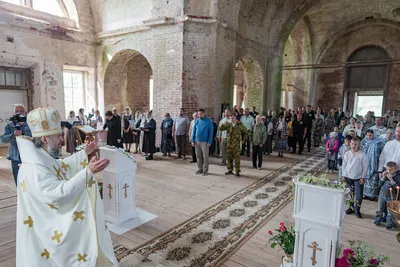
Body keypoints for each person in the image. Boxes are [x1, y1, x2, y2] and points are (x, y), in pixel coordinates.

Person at [16, 106, 117, 267]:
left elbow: (60, 166)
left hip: (43, 223)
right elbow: (58, 194)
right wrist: (88, 172)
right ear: (44, 139)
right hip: (44, 232)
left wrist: (84, 152)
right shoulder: (35, 169)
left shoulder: (40, 158)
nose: (61, 140)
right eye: (58, 136)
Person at [0, 104, 31, 185]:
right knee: (18, 178)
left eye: (21, 111)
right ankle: (20, 195)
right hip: (15, 156)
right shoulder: (9, 125)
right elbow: (3, 139)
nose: (19, 113)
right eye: (17, 111)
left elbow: (35, 136)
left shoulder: (31, 123)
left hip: (30, 154)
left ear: (25, 112)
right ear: (14, 113)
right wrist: (13, 135)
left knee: (30, 176)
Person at [342, 137, 368, 218]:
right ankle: (350, 207)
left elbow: (365, 167)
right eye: (352, 144)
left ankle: (357, 209)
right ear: (350, 144)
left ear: (358, 145)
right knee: (349, 193)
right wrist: (343, 175)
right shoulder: (347, 154)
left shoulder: (362, 155)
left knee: (359, 195)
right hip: (348, 177)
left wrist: (363, 177)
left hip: (358, 177)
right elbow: (344, 165)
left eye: (355, 144)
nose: (353, 146)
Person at [374, 161, 400, 230]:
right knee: (380, 208)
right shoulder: (385, 175)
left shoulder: (397, 177)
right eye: (387, 169)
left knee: (390, 211)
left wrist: (391, 179)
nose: (388, 171)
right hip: (382, 194)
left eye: (390, 170)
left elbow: (397, 187)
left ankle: (389, 223)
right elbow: (379, 184)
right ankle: (378, 218)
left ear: (395, 169)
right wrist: (383, 177)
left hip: (392, 196)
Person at [361, 129, 385, 201]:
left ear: (374, 134)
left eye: (370, 135)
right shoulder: (364, 141)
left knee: (373, 179)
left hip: (375, 162)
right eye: (367, 135)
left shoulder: (379, 142)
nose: (369, 137)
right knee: (365, 178)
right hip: (366, 162)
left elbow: (383, 152)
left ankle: (372, 195)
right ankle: (365, 194)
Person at [191, 109, 213, 176]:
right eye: (199, 114)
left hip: (205, 142)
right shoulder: (197, 120)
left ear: (204, 113)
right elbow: (194, 130)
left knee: (205, 156)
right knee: (198, 156)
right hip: (197, 141)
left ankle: (205, 170)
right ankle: (200, 169)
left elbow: (211, 132)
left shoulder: (208, 121)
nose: (199, 115)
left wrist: (209, 141)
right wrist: (192, 140)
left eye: (201, 114)